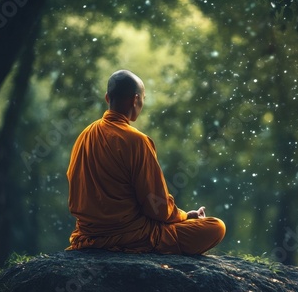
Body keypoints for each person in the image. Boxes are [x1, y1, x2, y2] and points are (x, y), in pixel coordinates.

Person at [66, 70, 226, 255]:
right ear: (135, 100)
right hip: (134, 235)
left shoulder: (84, 135)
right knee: (216, 227)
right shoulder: (137, 141)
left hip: (89, 236)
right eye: (143, 98)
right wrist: (184, 217)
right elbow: (156, 207)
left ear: (107, 98)